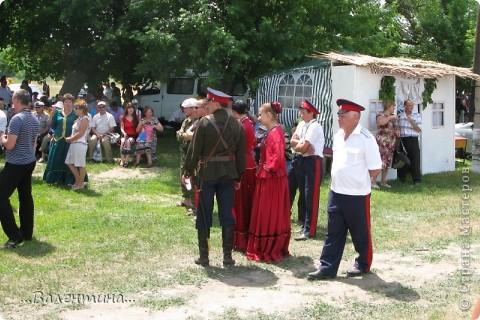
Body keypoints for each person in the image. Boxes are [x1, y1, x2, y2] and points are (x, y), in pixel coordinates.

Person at [307, 99, 381, 280]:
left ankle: (363, 264)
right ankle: (327, 267)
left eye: (343, 114)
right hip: (336, 192)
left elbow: (375, 168)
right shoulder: (338, 135)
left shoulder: (366, 138)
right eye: (339, 114)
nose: (339, 117)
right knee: (334, 231)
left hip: (357, 195)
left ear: (355, 117)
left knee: (360, 231)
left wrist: (356, 180)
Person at [182, 87, 246, 267]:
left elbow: (195, 151)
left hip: (207, 174)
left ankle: (204, 257)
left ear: (216, 103)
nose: (207, 104)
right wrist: (239, 176)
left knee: (204, 214)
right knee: (227, 215)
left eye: (209, 101)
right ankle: (227, 257)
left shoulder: (204, 123)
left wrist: (188, 171)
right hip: (228, 175)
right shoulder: (237, 124)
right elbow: (241, 155)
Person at [246, 102, 290, 263]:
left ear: (269, 115)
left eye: (260, 114)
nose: (258, 117)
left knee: (268, 211)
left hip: (271, 179)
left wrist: (267, 168)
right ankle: (270, 242)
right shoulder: (274, 131)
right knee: (269, 210)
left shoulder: (275, 132)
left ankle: (268, 245)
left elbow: (277, 157)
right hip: (270, 176)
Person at [0, 89, 39, 248]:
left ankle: (15, 236)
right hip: (29, 161)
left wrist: (2, 137)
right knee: (25, 197)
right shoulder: (34, 118)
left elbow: (10, 145)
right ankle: (27, 233)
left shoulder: (17, 119)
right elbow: (34, 143)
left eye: (12, 100)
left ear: (16, 101)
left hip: (16, 164)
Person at [289, 99, 325, 241]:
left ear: (311, 113)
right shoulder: (302, 124)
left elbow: (302, 147)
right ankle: (301, 220)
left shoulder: (315, 126)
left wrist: (300, 145)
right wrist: (301, 144)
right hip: (300, 159)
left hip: (312, 161)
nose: (300, 115)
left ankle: (309, 230)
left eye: (303, 112)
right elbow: (293, 142)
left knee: (311, 195)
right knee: (292, 187)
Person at [231, 100, 256, 251]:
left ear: (234, 112)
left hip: (243, 165)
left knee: (241, 201)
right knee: (246, 200)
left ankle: (241, 236)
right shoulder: (248, 123)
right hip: (250, 163)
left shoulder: (241, 125)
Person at [43, 94, 78, 185]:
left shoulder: (75, 114)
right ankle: (55, 179)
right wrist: (52, 134)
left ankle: (69, 180)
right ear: (63, 103)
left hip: (70, 140)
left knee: (69, 161)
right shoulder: (57, 113)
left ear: (72, 103)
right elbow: (52, 125)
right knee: (57, 159)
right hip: (58, 139)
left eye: (70, 102)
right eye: (66, 102)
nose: (68, 104)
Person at [373, 100, 400, 188]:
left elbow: (395, 128)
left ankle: (383, 181)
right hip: (382, 142)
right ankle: (373, 182)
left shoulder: (393, 117)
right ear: (388, 106)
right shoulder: (380, 115)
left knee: (387, 162)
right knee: (380, 161)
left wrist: (397, 131)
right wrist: (390, 118)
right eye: (393, 106)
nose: (394, 108)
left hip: (390, 143)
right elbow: (381, 123)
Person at [176, 98, 197, 211]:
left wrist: (184, 134)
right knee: (182, 176)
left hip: (192, 152)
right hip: (184, 151)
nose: (183, 110)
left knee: (191, 178)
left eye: (185, 108)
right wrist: (184, 135)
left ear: (193, 108)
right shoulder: (186, 121)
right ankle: (186, 199)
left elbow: (192, 138)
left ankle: (194, 204)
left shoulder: (198, 121)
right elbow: (179, 135)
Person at [65, 100, 90, 190]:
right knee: (69, 162)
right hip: (74, 143)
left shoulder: (85, 119)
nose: (74, 110)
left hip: (80, 143)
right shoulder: (78, 119)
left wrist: (70, 139)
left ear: (82, 109)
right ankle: (78, 181)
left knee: (80, 164)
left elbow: (81, 133)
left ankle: (80, 184)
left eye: (76, 108)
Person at [397, 99, 422, 185]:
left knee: (415, 159)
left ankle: (416, 179)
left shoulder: (417, 115)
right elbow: (397, 127)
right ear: (405, 106)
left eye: (412, 105)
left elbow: (419, 129)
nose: (411, 107)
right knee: (402, 159)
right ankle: (402, 178)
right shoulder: (400, 116)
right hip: (403, 139)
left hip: (413, 139)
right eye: (409, 105)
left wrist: (411, 121)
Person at [119, 102, 139, 167]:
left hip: (133, 135)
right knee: (122, 141)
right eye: (129, 108)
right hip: (125, 134)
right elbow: (121, 127)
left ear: (134, 109)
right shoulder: (123, 117)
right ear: (126, 109)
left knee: (128, 142)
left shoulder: (136, 117)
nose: (130, 110)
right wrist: (124, 133)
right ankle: (122, 160)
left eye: (132, 108)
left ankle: (126, 160)